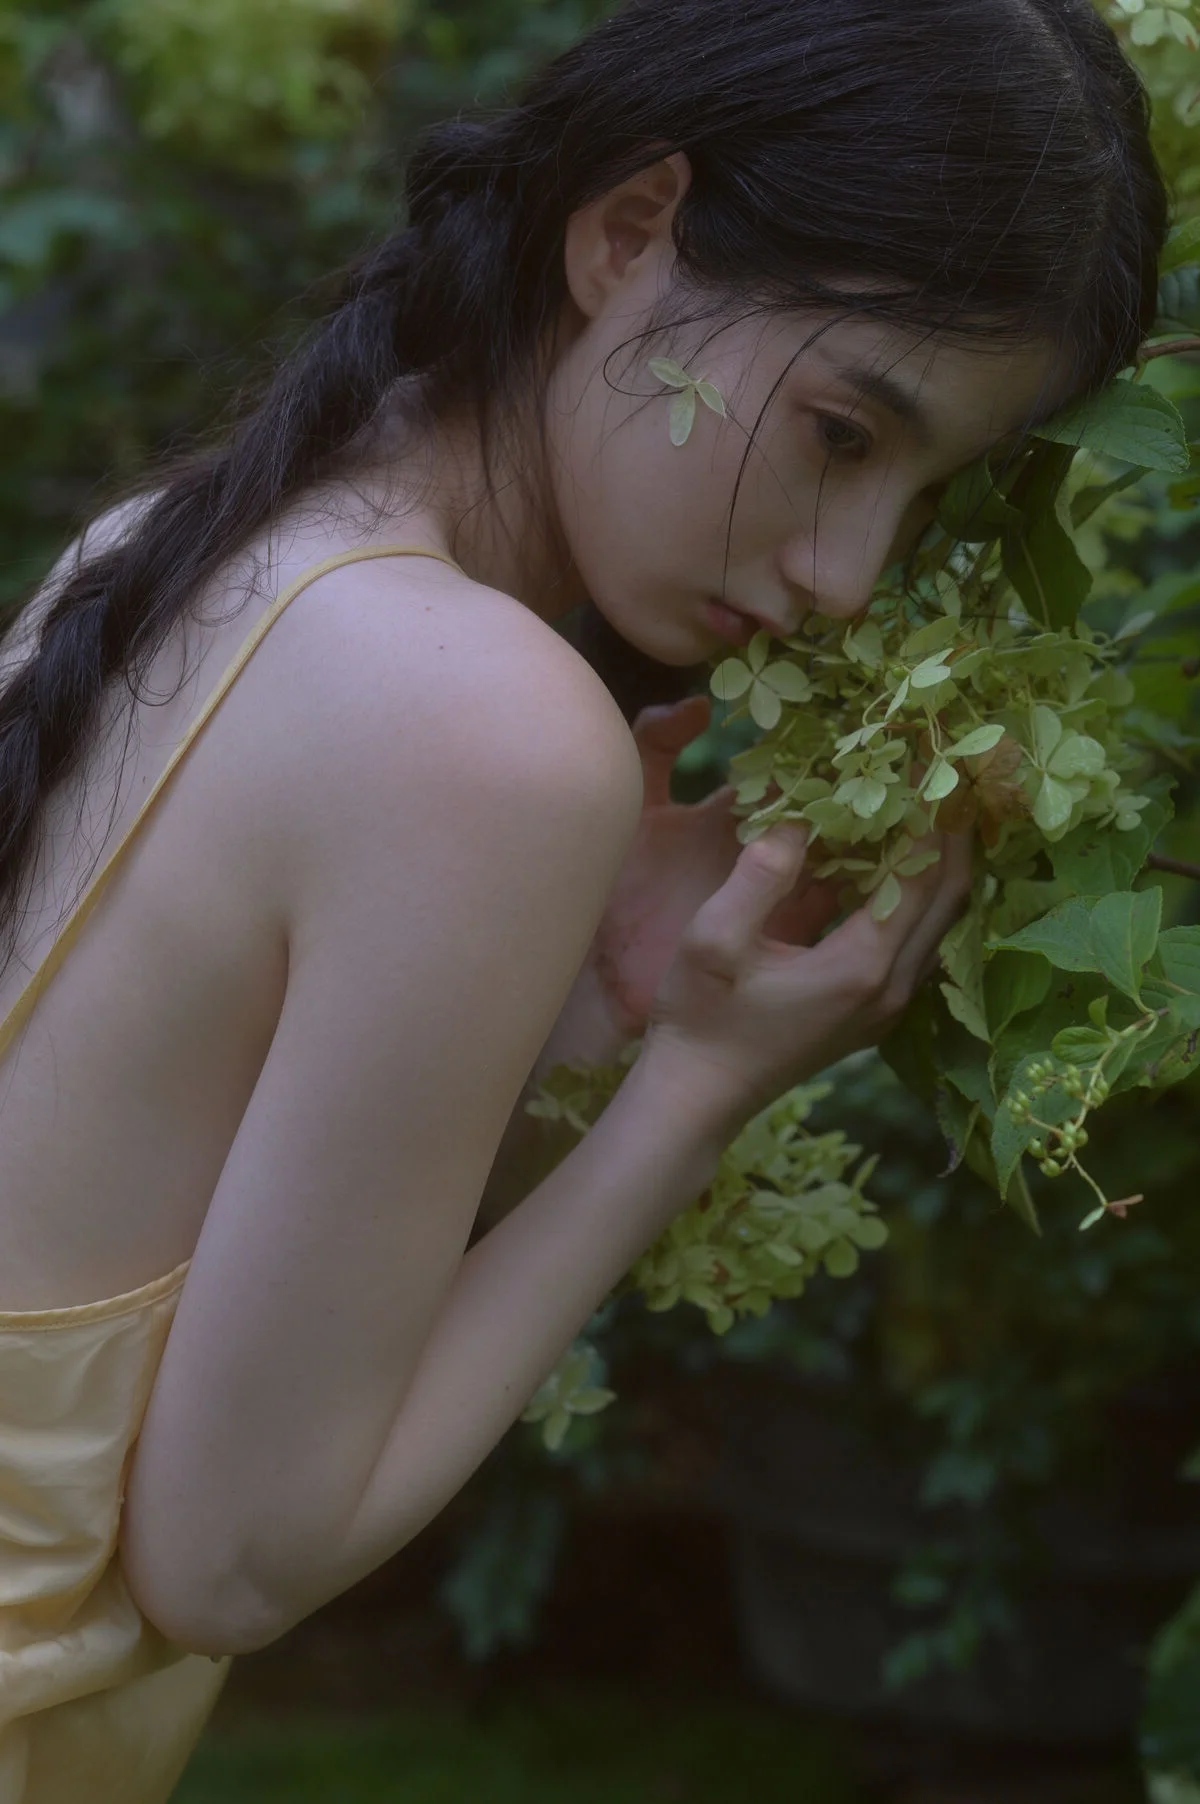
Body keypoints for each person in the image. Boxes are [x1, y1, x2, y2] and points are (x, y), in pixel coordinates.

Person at [0, 0, 1169, 1796]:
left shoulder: (182, 553)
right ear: (631, 234)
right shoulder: (498, 732)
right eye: (844, 433)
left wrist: (600, 1013)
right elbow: (226, 1559)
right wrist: (692, 1089)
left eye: (923, 493)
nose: (851, 576)